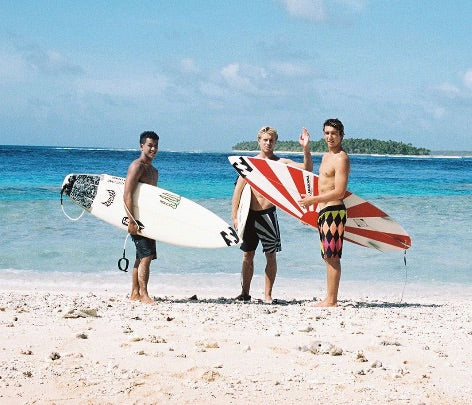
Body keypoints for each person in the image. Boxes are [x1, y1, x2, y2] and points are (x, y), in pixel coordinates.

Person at [231, 126, 313, 303]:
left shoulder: (280, 163)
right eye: (265, 140)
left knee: (271, 255)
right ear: (259, 141)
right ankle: (245, 293)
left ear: (275, 142)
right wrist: (235, 217)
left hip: (268, 214)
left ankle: (267, 295)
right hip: (249, 215)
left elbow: (307, 169)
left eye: (271, 140)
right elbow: (238, 191)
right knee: (247, 255)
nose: (268, 143)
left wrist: (305, 148)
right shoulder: (250, 163)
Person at [298, 119, 350, 307]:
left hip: (335, 211)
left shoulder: (341, 158)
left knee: (333, 256)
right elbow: (312, 176)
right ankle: (329, 298)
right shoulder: (326, 156)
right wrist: (306, 149)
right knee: (327, 256)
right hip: (324, 211)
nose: (330, 137)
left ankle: (332, 300)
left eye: (334, 133)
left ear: (341, 135)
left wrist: (312, 201)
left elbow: (339, 192)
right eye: (327, 133)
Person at [123, 131, 159, 304]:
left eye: (155, 146)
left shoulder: (153, 171)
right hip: (137, 219)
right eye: (150, 145)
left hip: (149, 220)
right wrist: (131, 220)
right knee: (146, 256)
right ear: (141, 146)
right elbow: (127, 194)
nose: (153, 149)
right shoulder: (136, 166)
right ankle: (144, 294)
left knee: (142, 255)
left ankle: (134, 293)